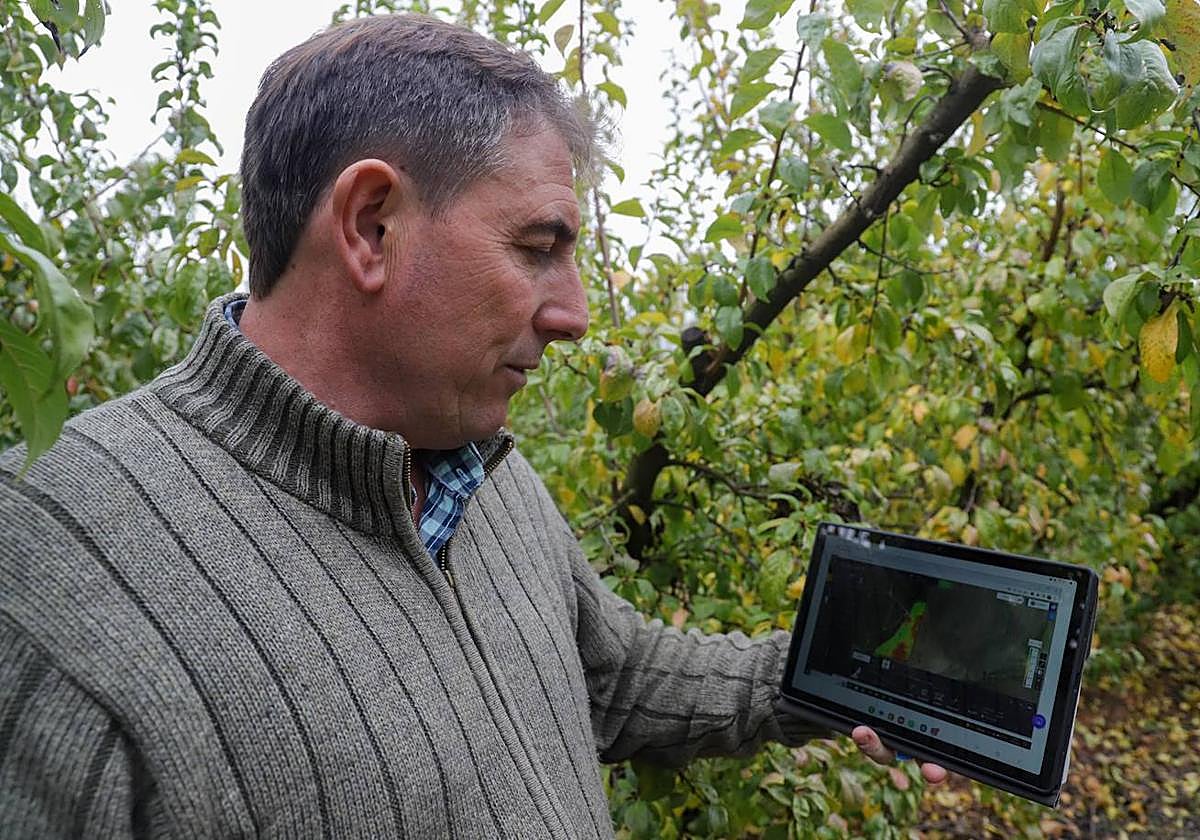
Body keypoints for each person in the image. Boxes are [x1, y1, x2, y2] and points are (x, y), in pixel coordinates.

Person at [0, 13, 942, 838]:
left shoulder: (479, 471)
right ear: (372, 227)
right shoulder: (57, 577)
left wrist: (834, 671)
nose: (574, 312)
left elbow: (611, 676)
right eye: (538, 249)